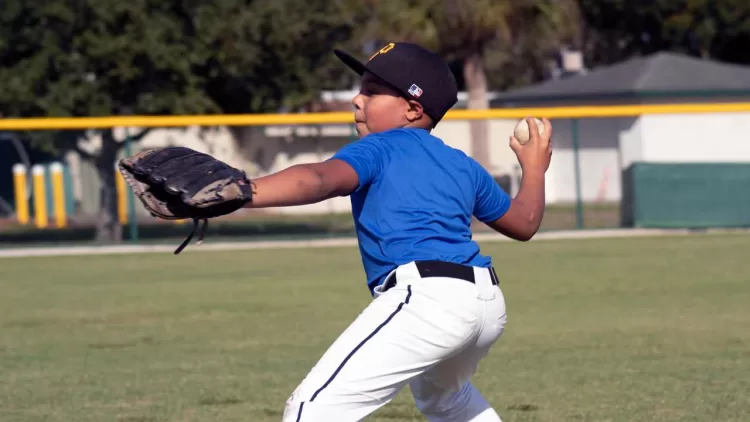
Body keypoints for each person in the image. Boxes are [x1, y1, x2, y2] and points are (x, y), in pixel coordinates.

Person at [243, 42, 553, 422]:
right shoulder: (461, 164)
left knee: (310, 410)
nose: (358, 100)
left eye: (373, 91)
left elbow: (320, 179)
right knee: (446, 401)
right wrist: (534, 167)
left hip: (428, 299)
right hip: (484, 301)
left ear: (412, 108)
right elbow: (524, 223)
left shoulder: (378, 148)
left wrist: (242, 192)